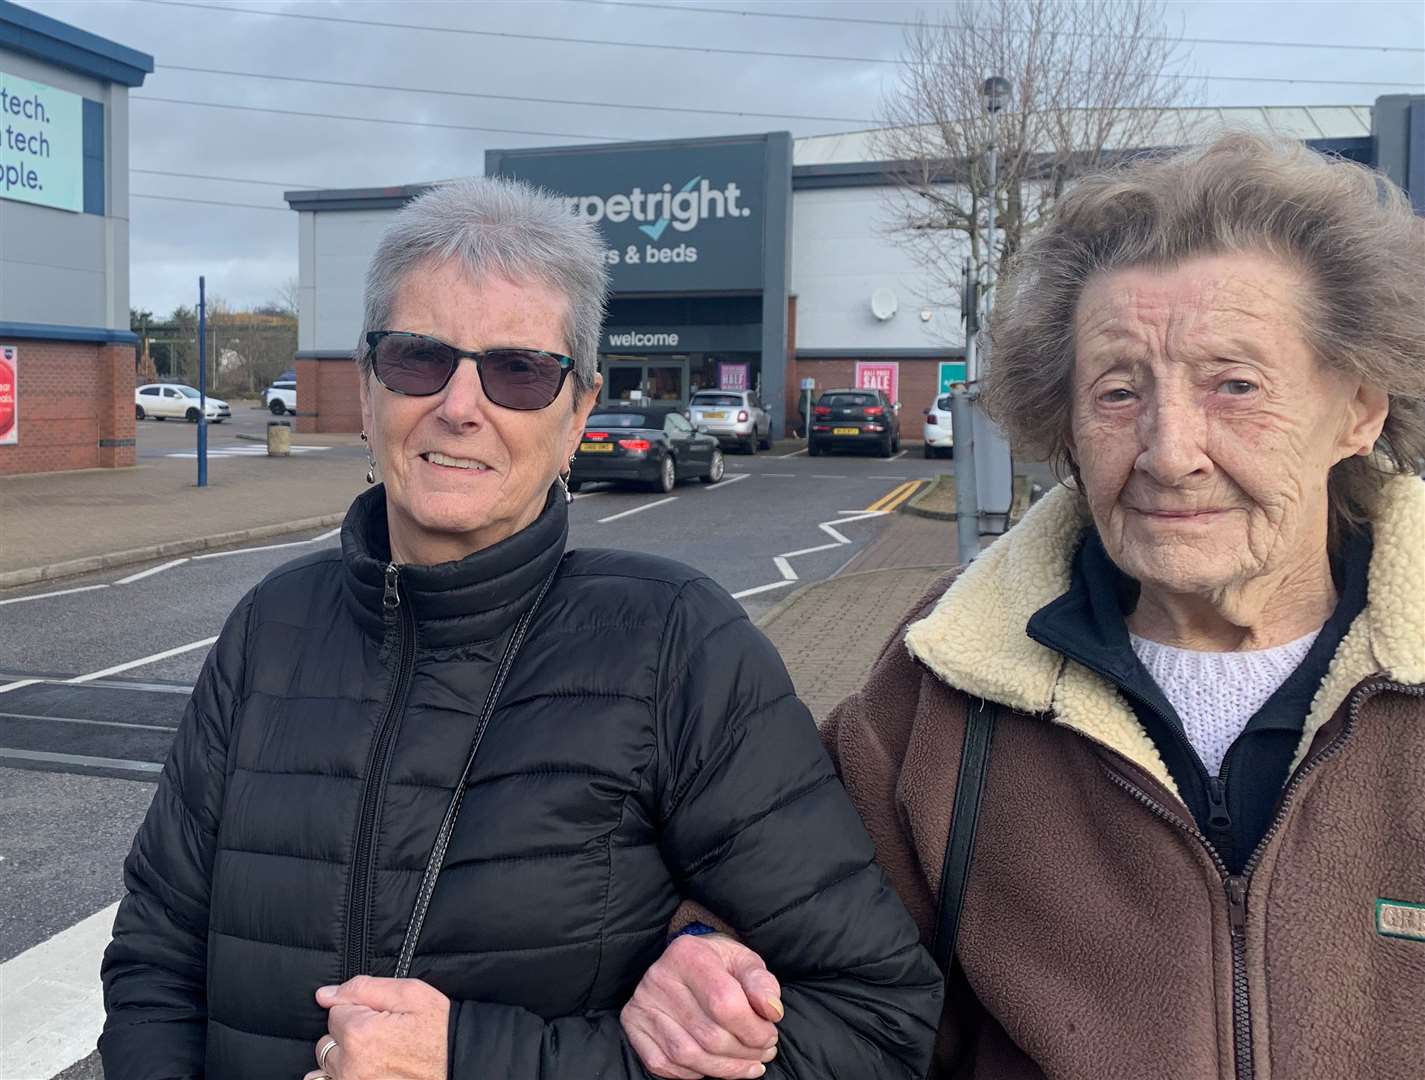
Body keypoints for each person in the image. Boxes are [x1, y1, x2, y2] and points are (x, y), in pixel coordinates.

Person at [619, 133, 1425, 1078]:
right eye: (1117, 392)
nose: (1169, 451)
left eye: (1234, 386)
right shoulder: (950, 671)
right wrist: (696, 957)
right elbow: (777, 903)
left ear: (1359, 409)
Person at [99, 177, 942, 1079]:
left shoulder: (677, 647)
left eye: (518, 371)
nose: (461, 405)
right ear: (368, 386)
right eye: (420, 357)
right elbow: (156, 959)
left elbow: (875, 1023)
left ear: (578, 413)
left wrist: (475, 1060)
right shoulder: (271, 626)